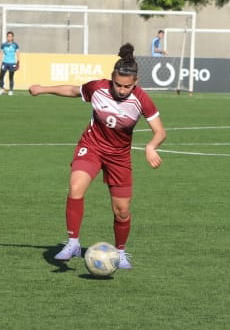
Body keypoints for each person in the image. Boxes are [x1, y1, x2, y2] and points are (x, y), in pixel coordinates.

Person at [29, 43, 167, 269]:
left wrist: (151, 146)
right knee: (75, 187)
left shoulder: (142, 99)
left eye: (127, 86)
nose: (121, 90)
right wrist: (42, 89)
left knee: (122, 212)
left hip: (119, 157)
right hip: (92, 146)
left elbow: (160, 131)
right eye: (118, 84)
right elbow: (72, 91)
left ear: (136, 82)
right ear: (112, 78)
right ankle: (73, 243)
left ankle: (120, 252)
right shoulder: (98, 88)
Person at [0, 31, 20, 96]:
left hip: (12, 63)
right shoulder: (3, 45)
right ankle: (1, 89)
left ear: (13, 37)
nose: (9, 38)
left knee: (11, 77)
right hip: (5, 62)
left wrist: (18, 63)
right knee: (1, 76)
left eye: (10, 36)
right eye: (8, 36)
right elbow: (1, 54)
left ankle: (11, 90)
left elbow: (18, 54)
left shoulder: (15, 45)